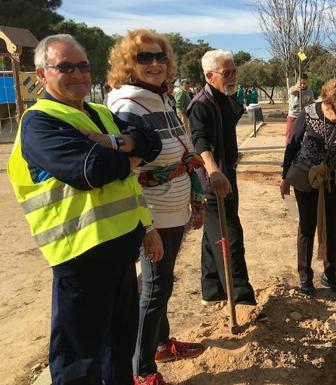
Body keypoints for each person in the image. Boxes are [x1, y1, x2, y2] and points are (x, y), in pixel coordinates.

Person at [8, 34, 162, 385]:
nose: (77, 74)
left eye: (83, 66)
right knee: (79, 361)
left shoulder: (99, 114)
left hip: (120, 253)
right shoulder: (40, 122)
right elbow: (90, 171)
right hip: (80, 260)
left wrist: (117, 144)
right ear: (41, 73)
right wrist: (129, 155)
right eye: (64, 67)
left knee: (118, 349)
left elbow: (153, 140)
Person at [106, 29, 206, 385]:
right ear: (128, 64)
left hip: (172, 208)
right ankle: (142, 371)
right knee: (154, 288)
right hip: (153, 212)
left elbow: (175, 148)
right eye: (144, 58)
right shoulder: (128, 105)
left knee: (162, 284)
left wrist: (193, 182)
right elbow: (128, 174)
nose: (154, 64)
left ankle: (161, 344)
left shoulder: (160, 98)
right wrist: (147, 227)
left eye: (159, 57)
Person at [188, 49, 258, 305]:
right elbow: (199, 141)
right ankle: (241, 299)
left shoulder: (225, 97)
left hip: (228, 173)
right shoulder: (200, 104)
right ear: (209, 75)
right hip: (213, 181)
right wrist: (213, 171)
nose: (233, 76)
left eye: (234, 71)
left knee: (212, 234)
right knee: (230, 234)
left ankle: (212, 289)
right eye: (227, 73)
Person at [280, 79, 336, 296]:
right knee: (307, 226)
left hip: (333, 180)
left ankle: (330, 274)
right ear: (327, 103)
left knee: (332, 227)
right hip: (306, 178)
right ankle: (305, 278)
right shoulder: (308, 113)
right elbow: (292, 145)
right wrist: (285, 178)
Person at [286, 73, 315, 143]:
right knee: (289, 134)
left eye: (304, 83)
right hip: (293, 116)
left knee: (302, 136)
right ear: (297, 82)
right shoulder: (293, 89)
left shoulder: (310, 92)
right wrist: (296, 88)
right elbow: (290, 91)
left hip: (304, 117)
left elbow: (311, 105)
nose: (302, 85)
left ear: (307, 82)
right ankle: (288, 150)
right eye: (300, 83)